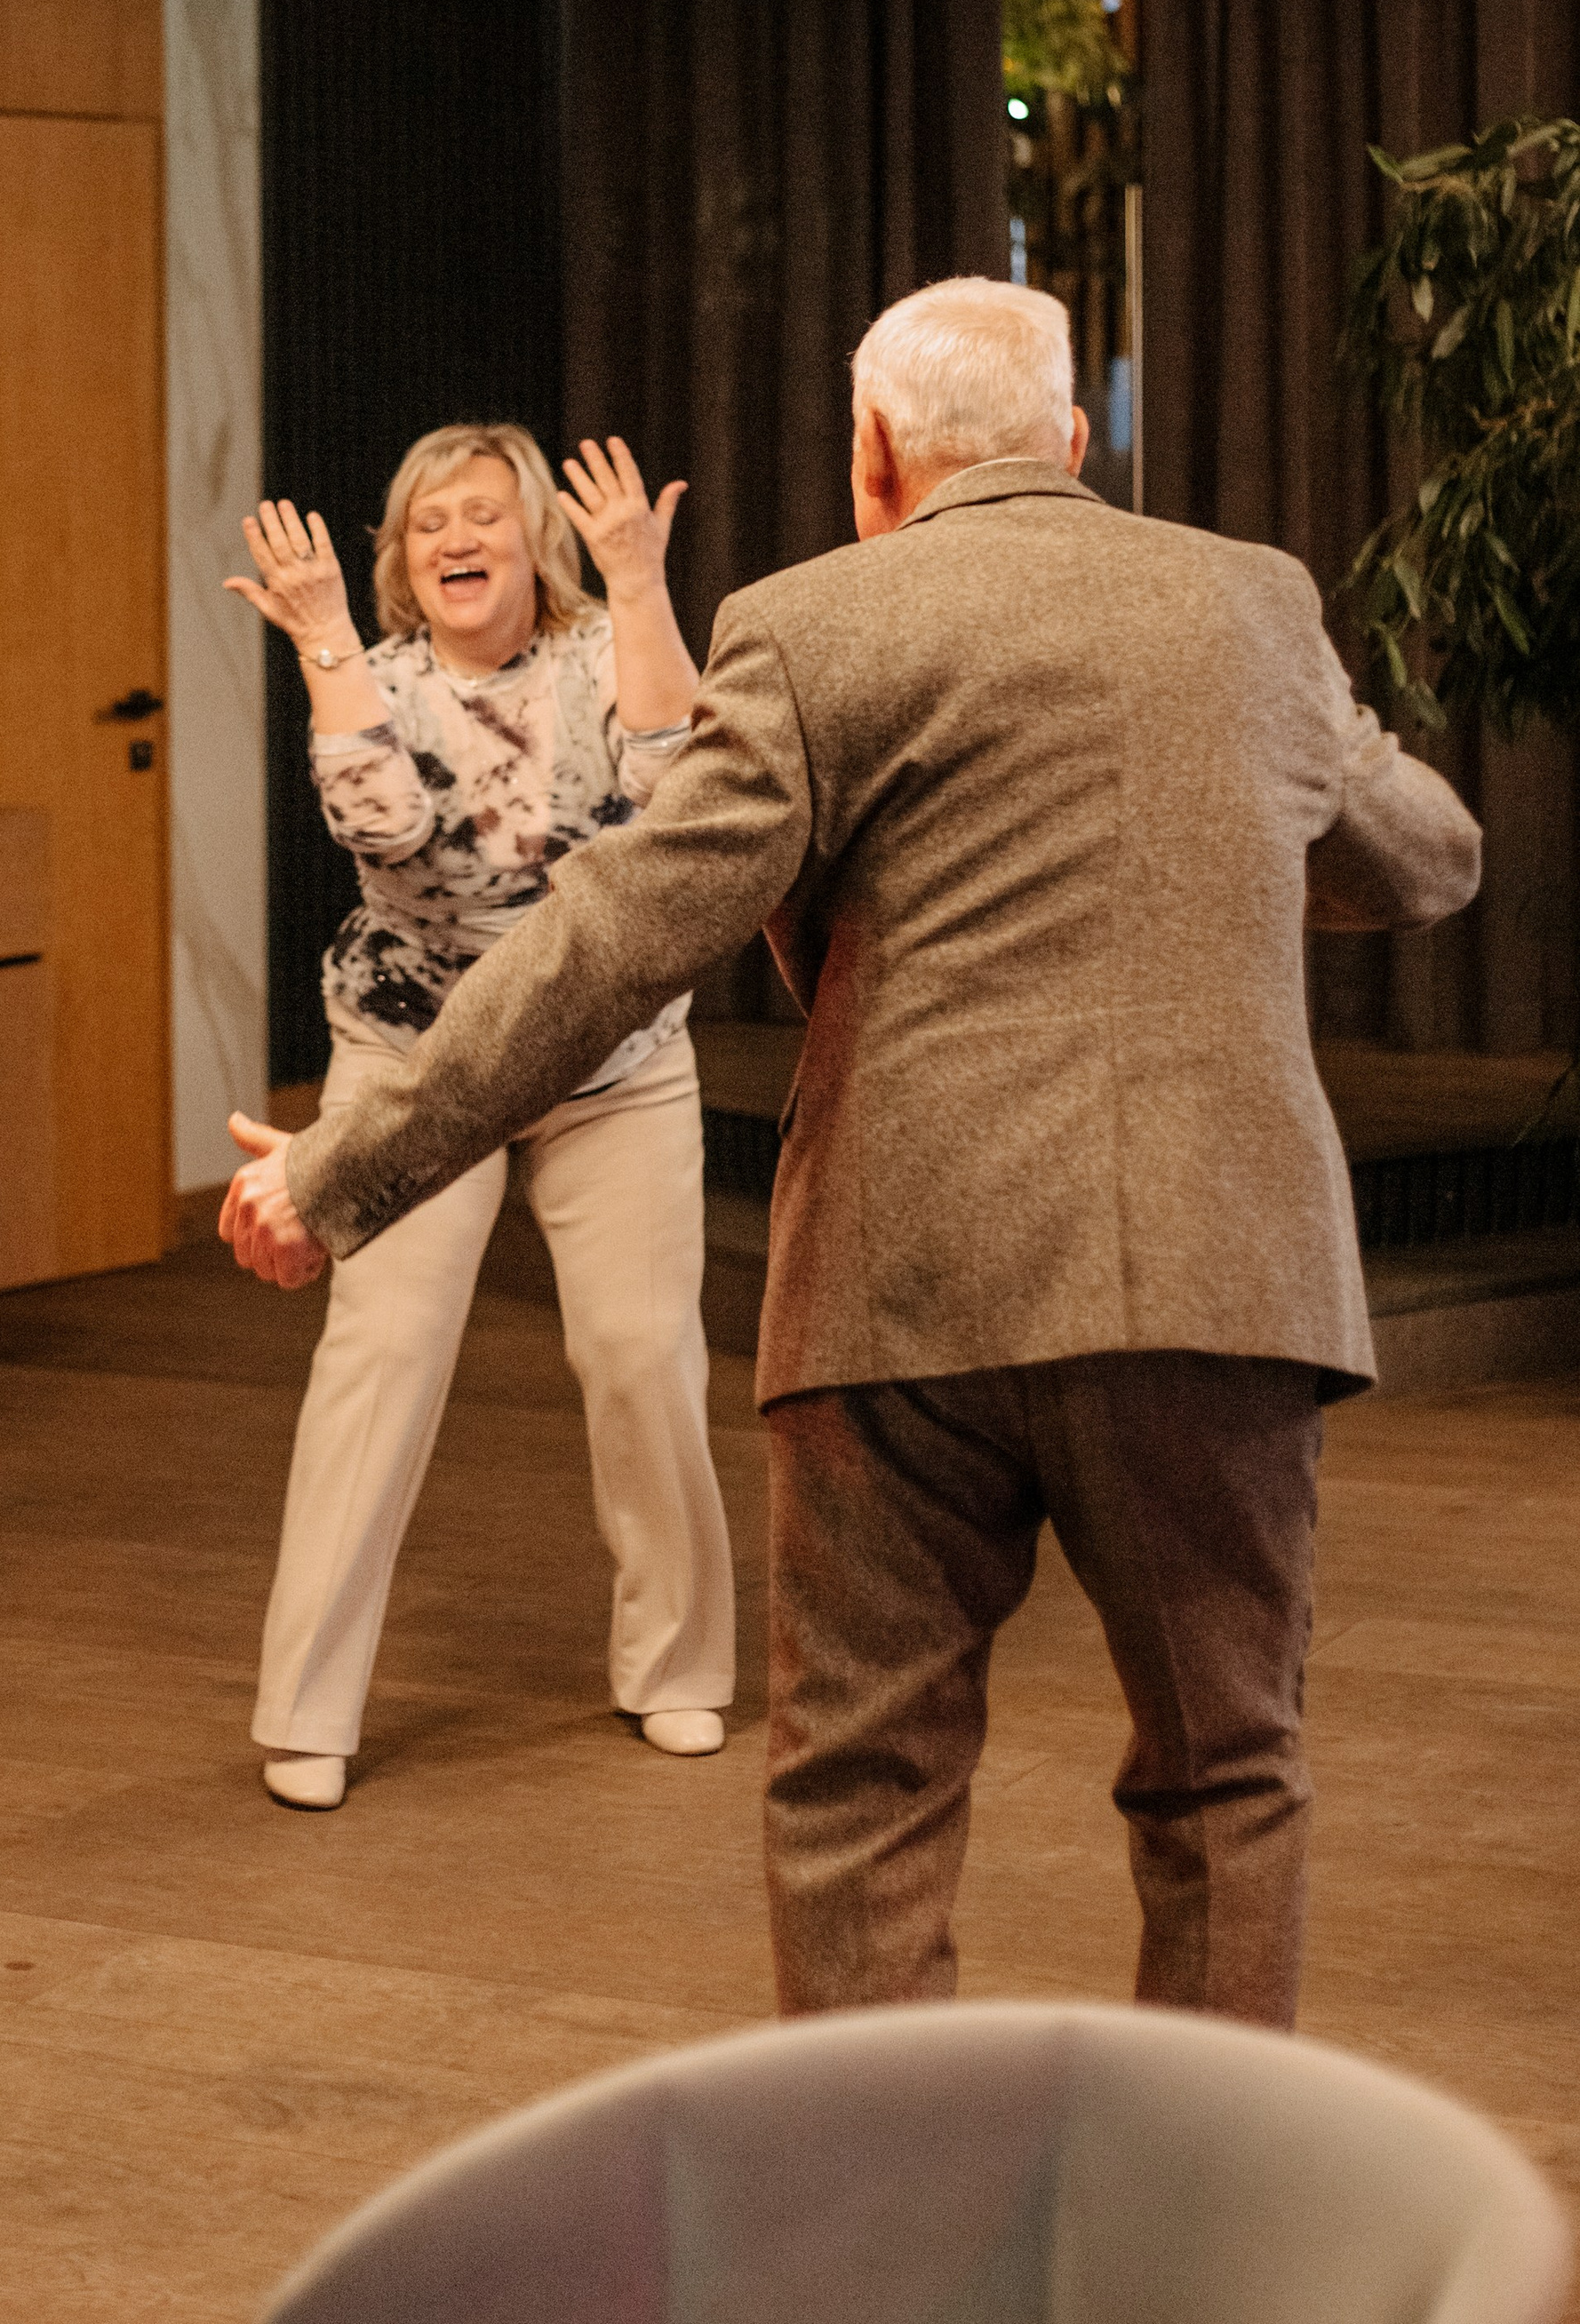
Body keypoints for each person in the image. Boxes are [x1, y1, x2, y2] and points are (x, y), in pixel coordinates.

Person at [223, 282, 1482, 2011]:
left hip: (900, 1287)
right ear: (1070, 442)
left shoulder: (808, 627)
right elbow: (1427, 862)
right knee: (1225, 1777)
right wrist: (1220, 840)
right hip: (1212, 1271)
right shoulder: (1250, 602)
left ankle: (864, 2236)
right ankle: (1214, 2224)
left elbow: (611, 939)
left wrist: (336, 1162)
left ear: (872, 453)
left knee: (857, 1797)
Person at [223, 422, 737, 1812]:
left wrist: (639, 582)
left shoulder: (591, 653)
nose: (455, 538)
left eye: (484, 517)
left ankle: (678, 1668)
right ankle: (308, 1708)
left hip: (606, 1052)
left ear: (536, 548)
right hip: (410, 1056)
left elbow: (673, 782)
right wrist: (323, 637)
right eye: (427, 522)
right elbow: (381, 825)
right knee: (379, 1354)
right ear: (398, 562)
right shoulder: (375, 675)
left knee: (642, 1354)